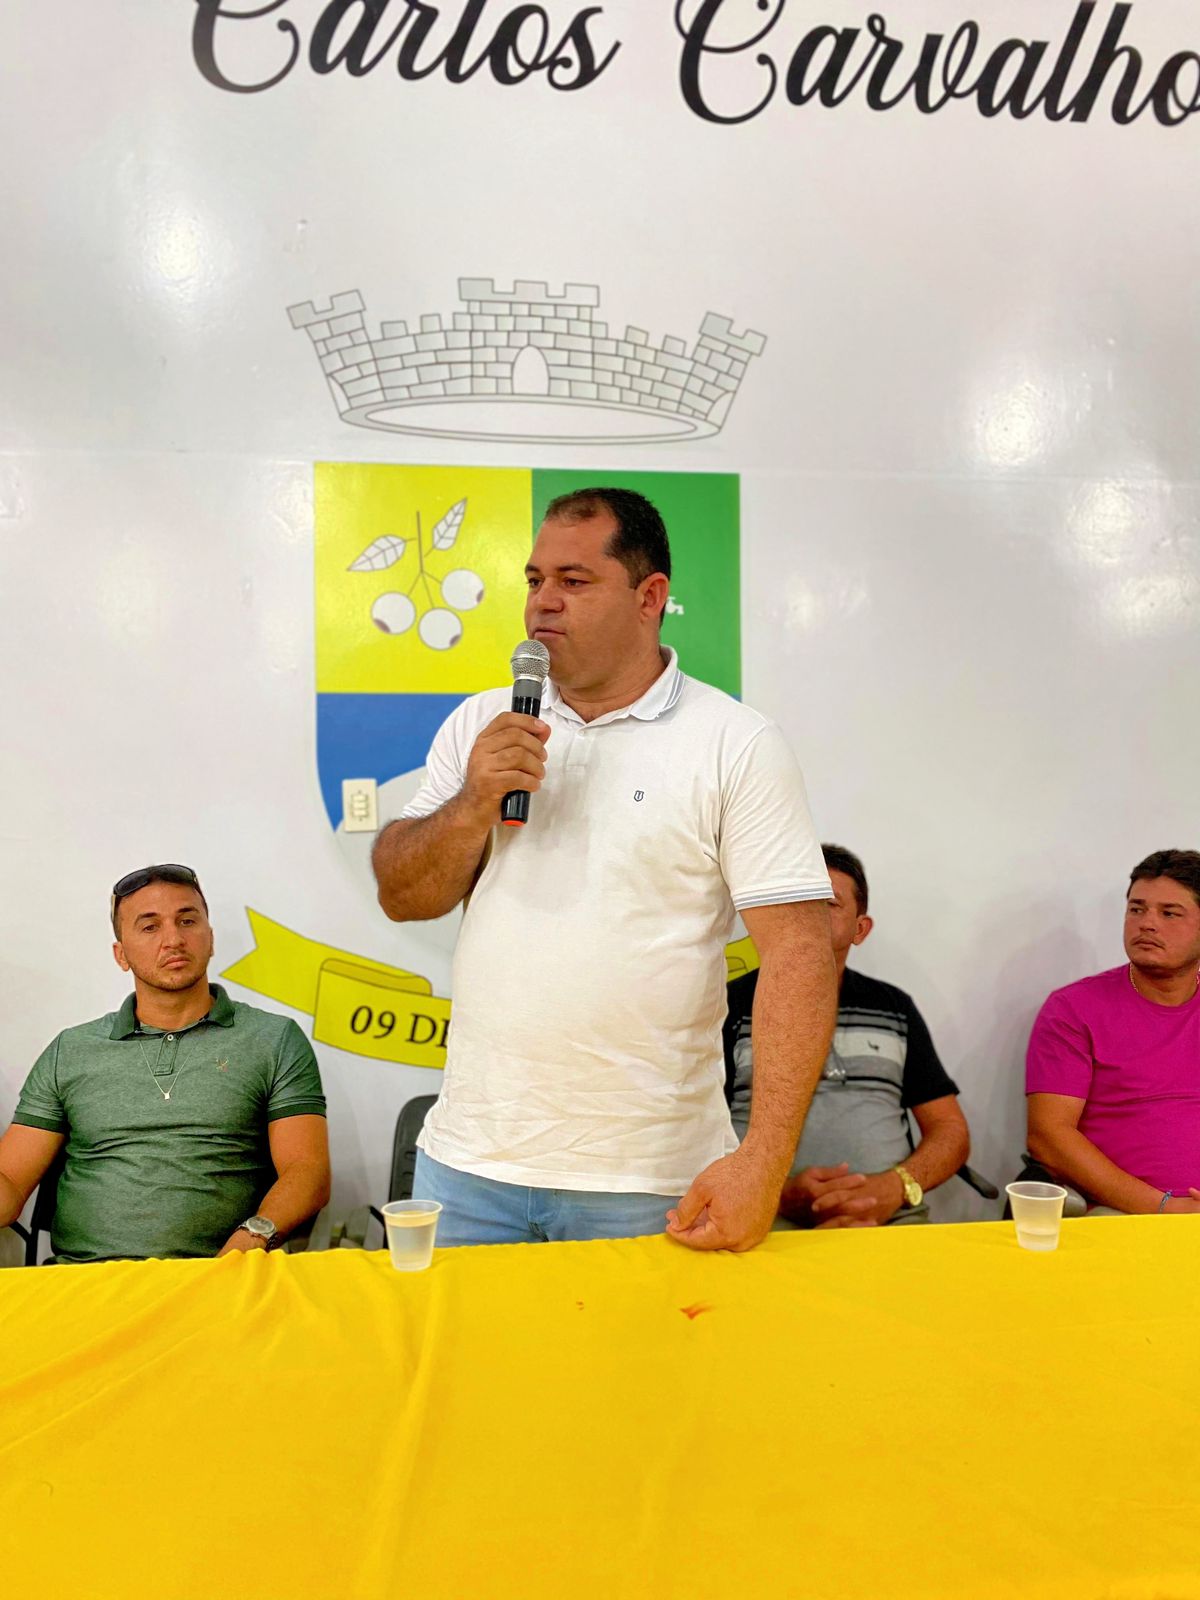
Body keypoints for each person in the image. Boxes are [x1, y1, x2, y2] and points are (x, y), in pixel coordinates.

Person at [373, 487, 836, 1251]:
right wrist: (472, 803)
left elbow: (799, 954)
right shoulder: (483, 723)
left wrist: (763, 1160)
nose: (542, 603)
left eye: (574, 581)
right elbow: (402, 894)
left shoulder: (735, 742)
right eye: (534, 580)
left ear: (649, 597)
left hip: (647, 1180)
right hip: (469, 1166)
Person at [0, 864, 331, 1262]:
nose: (173, 939)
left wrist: (250, 1241)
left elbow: (307, 1172)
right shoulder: (70, 1050)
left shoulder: (274, 1039)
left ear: (210, 938)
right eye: (150, 927)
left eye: (187, 920)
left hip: (221, 1275)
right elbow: (10, 1183)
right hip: (84, 1278)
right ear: (121, 955)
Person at [726, 844, 970, 1227]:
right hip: (760, 1219)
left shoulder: (894, 1008)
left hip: (887, 1221)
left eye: (829, 903)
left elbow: (950, 1130)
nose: (809, 914)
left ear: (860, 929)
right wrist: (773, 1192)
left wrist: (895, 1187)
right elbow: (691, 1131)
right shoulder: (730, 1004)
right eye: (799, 902)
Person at [1024, 848, 1200, 1216]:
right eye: (1137, 909)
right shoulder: (1074, 1009)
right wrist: (1165, 1208)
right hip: (1125, 1212)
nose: (1147, 924)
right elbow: (1048, 1138)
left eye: (1169, 913)